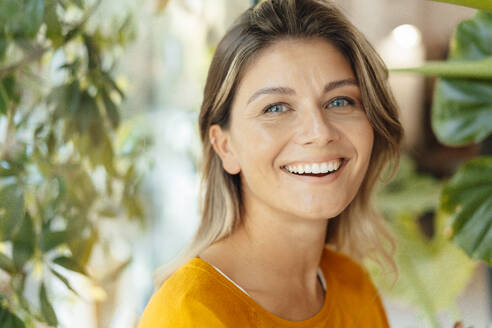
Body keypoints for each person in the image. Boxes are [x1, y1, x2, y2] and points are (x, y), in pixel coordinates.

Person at [138, 0, 404, 326]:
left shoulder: (354, 286)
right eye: (276, 108)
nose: (319, 133)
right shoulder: (190, 312)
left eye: (339, 101)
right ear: (225, 146)